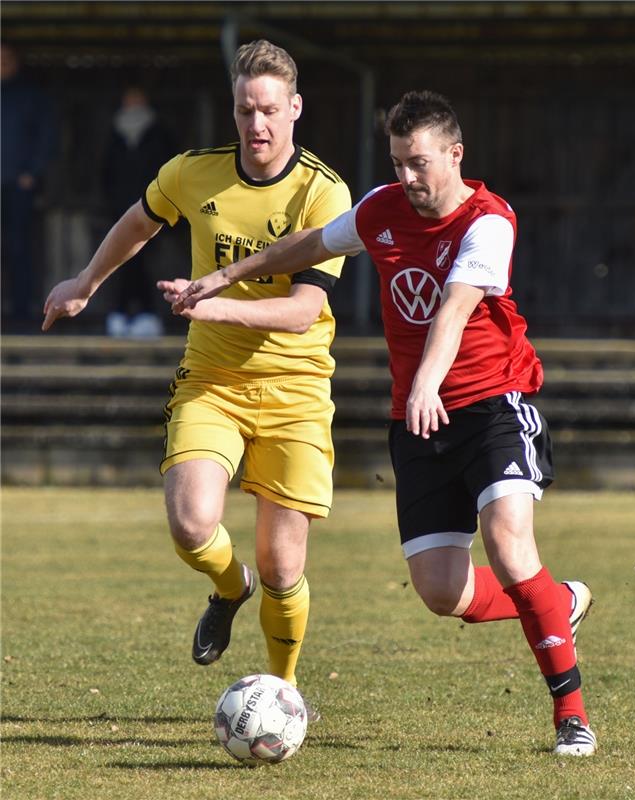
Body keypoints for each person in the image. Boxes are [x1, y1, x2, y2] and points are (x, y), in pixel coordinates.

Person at [166, 90, 597, 756]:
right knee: (439, 591)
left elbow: (453, 308)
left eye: (418, 163)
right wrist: (224, 277)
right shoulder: (381, 209)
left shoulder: (488, 221)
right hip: (419, 425)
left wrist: (425, 381)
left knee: (510, 548)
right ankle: (555, 602)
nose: (406, 178)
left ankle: (570, 716)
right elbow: (308, 244)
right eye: (397, 162)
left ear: (455, 155)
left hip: (491, 406)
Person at [42, 40, 352, 719]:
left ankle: (282, 693)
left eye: (269, 109)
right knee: (190, 523)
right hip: (211, 377)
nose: (257, 124)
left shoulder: (322, 191)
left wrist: (211, 301)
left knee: (282, 566)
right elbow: (140, 221)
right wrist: (87, 282)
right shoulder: (193, 173)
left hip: (296, 390)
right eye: (245, 110)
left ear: (294, 109)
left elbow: (304, 311)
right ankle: (228, 587)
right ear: (232, 110)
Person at [101, 86, 176, 338]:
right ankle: (122, 314)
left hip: (153, 209)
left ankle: (147, 313)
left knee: (145, 261)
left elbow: (169, 170)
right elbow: (106, 171)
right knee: (120, 262)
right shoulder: (114, 133)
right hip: (120, 208)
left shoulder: (160, 133)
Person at [1, 40, 58, 326]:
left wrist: (31, 173)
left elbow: (46, 137)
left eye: (6, 58)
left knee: (19, 247)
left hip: (17, 184)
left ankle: (21, 314)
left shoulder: (30, 95)